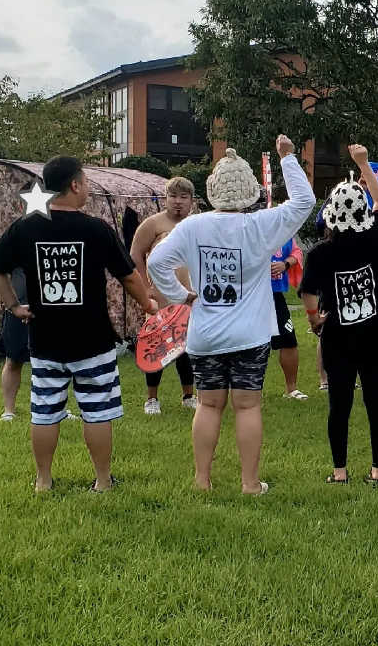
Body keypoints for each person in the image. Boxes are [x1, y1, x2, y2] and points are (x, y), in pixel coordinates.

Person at [147, 136, 314, 495]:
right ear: (250, 192)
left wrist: (181, 296)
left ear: (211, 190)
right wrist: (287, 158)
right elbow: (305, 201)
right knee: (247, 405)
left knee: (208, 404)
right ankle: (250, 483)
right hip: (249, 334)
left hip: (205, 332)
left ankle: (202, 480)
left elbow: (156, 262)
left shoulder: (192, 227)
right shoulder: (260, 225)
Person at [0, 156, 157, 492]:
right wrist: (149, 305)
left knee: (45, 412)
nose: (88, 189)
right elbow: (130, 278)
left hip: (45, 339)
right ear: (75, 184)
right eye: (85, 183)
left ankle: (43, 481)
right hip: (93, 341)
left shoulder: (26, 227)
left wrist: (15, 307)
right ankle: (103, 482)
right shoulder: (95, 229)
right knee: (97, 413)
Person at [300, 145, 378, 485]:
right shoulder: (376, 238)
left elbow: (309, 292)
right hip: (377, 335)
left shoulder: (319, 253)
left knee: (339, 405)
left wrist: (314, 320)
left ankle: (339, 471)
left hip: (338, 338)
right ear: (363, 211)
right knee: (377, 404)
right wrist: (363, 164)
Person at [130, 176, 198, 414]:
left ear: (192, 201)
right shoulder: (153, 224)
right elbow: (136, 254)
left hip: (190, 294)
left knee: (186, 347)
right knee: (156, 345)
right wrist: (144, 285)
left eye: (183, 197)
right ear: (165, 198)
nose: (178, 202)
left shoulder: (196, 224)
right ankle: (151, 399)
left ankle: (189, 394)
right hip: (159, 296)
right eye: (173, 196)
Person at [270, 237, 307, 400]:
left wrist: (285, 264)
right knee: (251, 344)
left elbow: (297, 252)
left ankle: (291, 389)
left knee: (289, 339)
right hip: (251, 295)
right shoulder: (247, 230)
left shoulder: (283, 233)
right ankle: (249, 390)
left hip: (276, 295)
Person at [0, 268, 29, 421]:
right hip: (18, 308)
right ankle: (9, 411)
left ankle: (58, 409)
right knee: (13, 360)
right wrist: (11, 303)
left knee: (55, 362)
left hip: (53, 307)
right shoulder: (15, 243)